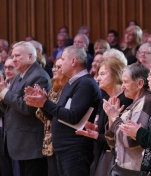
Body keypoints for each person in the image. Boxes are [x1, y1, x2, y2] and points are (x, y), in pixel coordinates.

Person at [24, 45, 101, 176]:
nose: (60, 64)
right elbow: (56, 116)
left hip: (75, 149)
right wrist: (41, 104)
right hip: (63, 148)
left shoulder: (85, 84)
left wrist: (46, 102)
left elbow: (73, 116)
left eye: (63, 59)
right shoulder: (71, 83)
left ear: (73, 61)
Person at [0, 41, 51, 176]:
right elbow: (9, 109)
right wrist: (0, 93)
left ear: (31, 57)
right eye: (13, 56)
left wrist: (4, 92)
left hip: (31, 144)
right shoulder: (20, 75)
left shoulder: (38, 76)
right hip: (19, 143)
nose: (14, 59)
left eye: (18, 56)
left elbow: (28, 108)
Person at [75, 57, 133, 176]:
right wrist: (96, 130)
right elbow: (106, 132)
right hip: (103, 154)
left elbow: (121, 137)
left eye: (102, 73)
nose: (98, 78)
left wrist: (97, 135)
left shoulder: (127, 100)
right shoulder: (105, 99)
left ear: (116, 73)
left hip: (121, 159)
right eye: (98, 74)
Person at [103, 63, 151, 175]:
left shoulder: (146, 101)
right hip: (123, 168)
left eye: (126, 82)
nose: (122, 86)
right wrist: (111, 117)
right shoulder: (135, 103)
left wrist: (115, 117)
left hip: (134, 170)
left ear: (140, 83)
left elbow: (131, 141)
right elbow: (111, 141)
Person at [35, 57, 68, 176]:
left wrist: (45, 103)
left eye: (58, 67)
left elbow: (61, 115)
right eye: (54, 66)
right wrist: (40, 102)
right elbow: (43, 116)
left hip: (62, 140)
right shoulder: (54, 87)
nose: (54, 69)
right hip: (49, 141)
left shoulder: (69, 88)